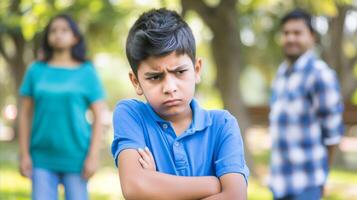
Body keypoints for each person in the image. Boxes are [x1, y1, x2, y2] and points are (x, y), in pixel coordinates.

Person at [111, 8, 249, 199]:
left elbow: (234, 196)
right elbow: (134, 187)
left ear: (197, 69)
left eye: (180, 72)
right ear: (136, 82)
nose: (170, 87)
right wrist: (213, 184)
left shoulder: (223, 125)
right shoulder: (131, 114)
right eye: (155, 77)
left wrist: (154, 183)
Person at [18, 14, 106, 200]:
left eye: (64, 30)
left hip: (77, 157)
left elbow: (99, 116)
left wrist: (93, 156)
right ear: (48, 37)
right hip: (41, 156)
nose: (58, 34)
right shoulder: (35, 70)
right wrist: (24, 154)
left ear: (75, 37)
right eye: (53, 31)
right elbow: (24, 114)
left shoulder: (87, 71)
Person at [269, 9, 344, 200]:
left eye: (297, 33)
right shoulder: (282, 72)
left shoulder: (320, 74)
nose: (290, 38)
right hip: (279, 183)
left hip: (307, 185)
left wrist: (321, 178)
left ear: (312, 37)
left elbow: (333, 136)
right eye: (286, 33)